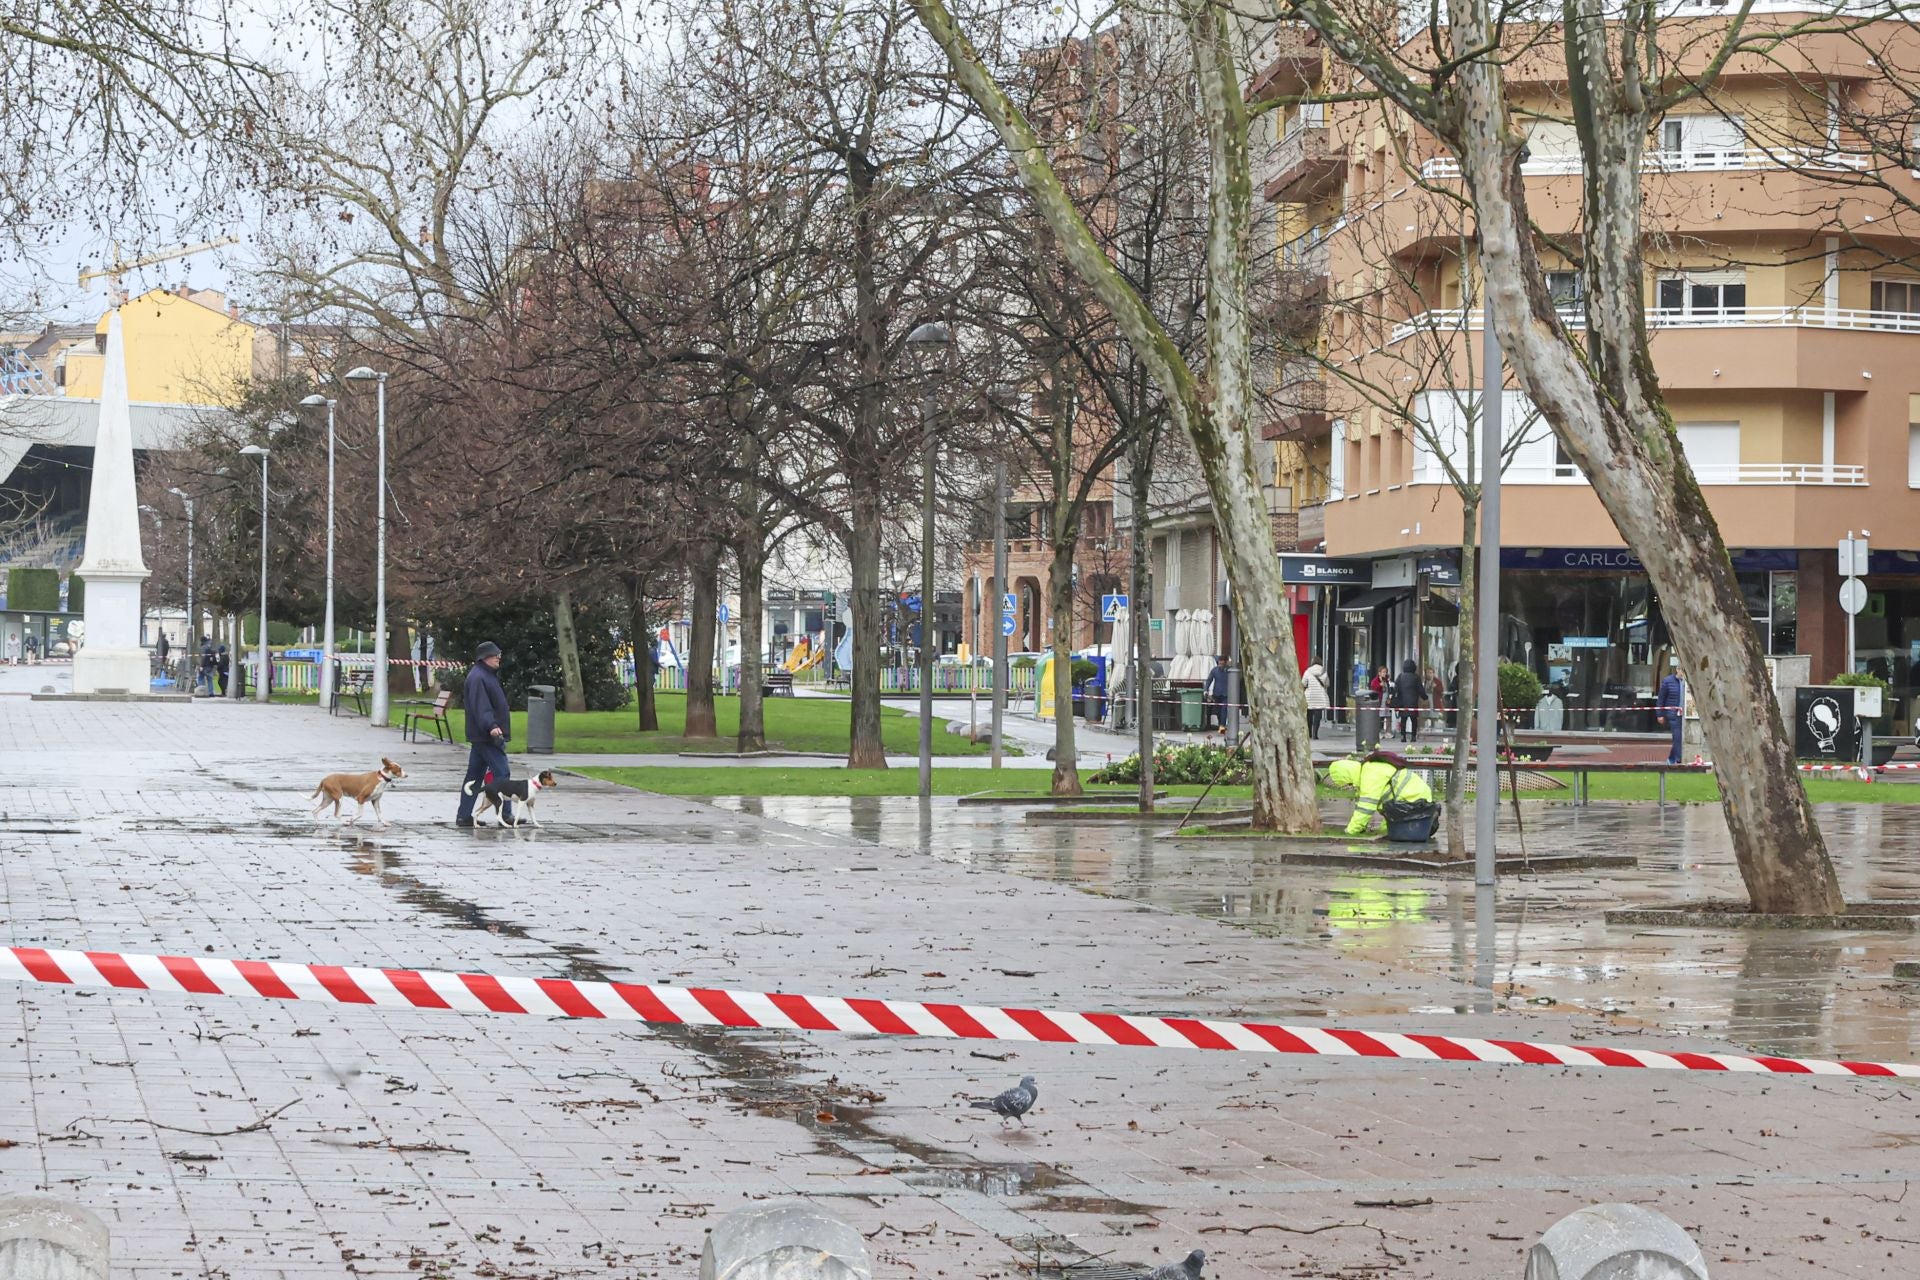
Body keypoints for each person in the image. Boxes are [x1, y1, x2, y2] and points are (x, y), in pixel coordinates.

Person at [456, 641, 514, 828]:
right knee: (502, 772)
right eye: (495, 654)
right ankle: (506, 815)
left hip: (480, 735)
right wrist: (492, 726)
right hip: (487, 735)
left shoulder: (482, 675)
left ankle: (464, 815)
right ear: (484, 657)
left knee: (474, 776)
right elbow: (481, 706)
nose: (499, 657)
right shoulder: (479, 677)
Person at [1326, 755, 1434, 836]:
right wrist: (1382, 830)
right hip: (1415, 798)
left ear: (1347, 776)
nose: (1349, 786)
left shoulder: (1369, 776)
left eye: (1347, 783)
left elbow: (1365, 809)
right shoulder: (1368, 770)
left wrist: (1351, 831)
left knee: (1403, 835)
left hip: (1413, 800)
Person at [1390, 658, 1426, 743]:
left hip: (1403, 702)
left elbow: (1396, 689)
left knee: (1403, 719)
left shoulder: (1400, 676)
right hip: (1413, 702)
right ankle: (1413, 736)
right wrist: (1425, 697)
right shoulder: (1416, 677)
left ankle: (1403, 736)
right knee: (1414, 719)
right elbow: (1420, 689)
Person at [1657, 664, 1687, 765]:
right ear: (1677, 670)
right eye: (1682, 670)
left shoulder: (1687, 682)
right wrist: (1659, 714)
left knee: (1680, 738)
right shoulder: (1668, 681)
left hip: (1685, 714)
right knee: (1677, 736)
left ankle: (1671, 759)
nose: (1683, 673)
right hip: (1673, 714)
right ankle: (1678, 760)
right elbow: (1661, 698)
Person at [1202, 655, 1233, 735]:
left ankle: (1222, 727)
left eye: (1222, 664)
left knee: (1224, 711)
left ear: (1225, 663)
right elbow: (1209, 680)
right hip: (1216, 694)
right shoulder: (1214, 670)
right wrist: (1206, 690)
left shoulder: (1229, 670)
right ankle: (1221, 725)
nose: (1221, 666)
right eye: (1219, 664)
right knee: (1218, 711)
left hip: (1226, 694)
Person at [1301, 661, 1330, 740]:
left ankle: (1309, 733)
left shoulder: (1308, 672)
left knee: (1309, 716)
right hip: (1320, 697)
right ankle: (1315, 734)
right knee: (1317, 717)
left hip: (1309, 697)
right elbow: (1327, 683)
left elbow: (1303, 683)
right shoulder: (1323, 671)